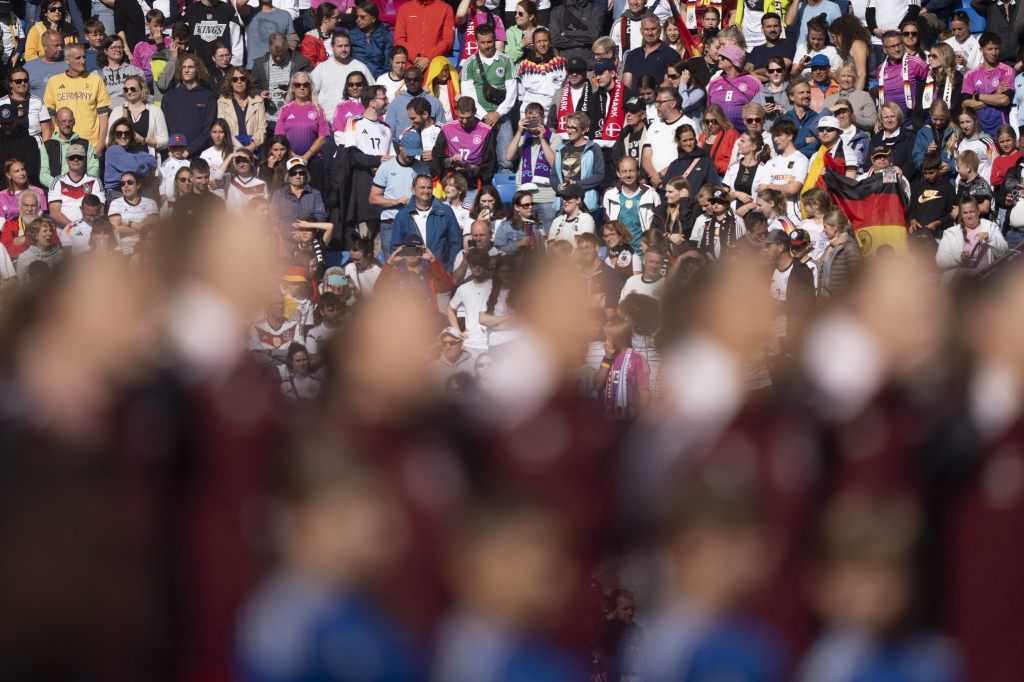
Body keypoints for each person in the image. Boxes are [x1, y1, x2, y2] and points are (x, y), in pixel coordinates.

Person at [454, 24, 516, 174]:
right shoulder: (469, 63)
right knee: (479, 161)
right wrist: (484, 116)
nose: (487, 46)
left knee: (506, 162)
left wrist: (497, 114)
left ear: (494, 40)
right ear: (477, 42)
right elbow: (468, 95)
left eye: (489, 42)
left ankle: (504, 195)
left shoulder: (507, 61)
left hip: (503, 117)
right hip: (478, 119)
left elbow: (512, 91)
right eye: (483, 42)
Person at [370, 130, 430, 255]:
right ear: (400, 147)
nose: (411, 156)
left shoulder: (423, 168)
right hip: (391, 223)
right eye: (409, 153)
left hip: (415, 222)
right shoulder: (386, 167)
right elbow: (373, 198)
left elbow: (428, 194)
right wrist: (395, 202)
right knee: (392, 263)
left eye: (415, 153)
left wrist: (414, 202)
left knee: (414, 261)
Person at [43, 43, 111, 153]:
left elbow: (103, 116)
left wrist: (100, 145)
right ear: (66, 60)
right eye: (78, 58)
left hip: (90, 145)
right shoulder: (54, 82)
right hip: (62, 145)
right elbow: (50, 116)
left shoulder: (96, 80)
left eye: (84, 57)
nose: (83, 61)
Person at [389, 173, 462, 270]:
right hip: (413, 275)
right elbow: (397, 248)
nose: (426, 191)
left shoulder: (446, 212)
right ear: (413, 190)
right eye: (422, 187)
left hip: (441, 271)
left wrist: (449, 270)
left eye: (429, 188)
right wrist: (419, 253)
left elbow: (456, 243)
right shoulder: (402, 216)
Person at [432, 96, 497, 197]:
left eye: (468, 118)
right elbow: (436, 154)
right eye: (461, 118)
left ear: (475, 111)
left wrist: (472, 168)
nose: (465, 122)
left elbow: (490, 162)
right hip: (450, 182)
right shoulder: (447, 128)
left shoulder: (486, 131)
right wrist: (451, 161)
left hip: (473, 184)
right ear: (456, 111)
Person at [251, 33, 314, 137]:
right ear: (269, 48)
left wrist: (294, 91)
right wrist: (260, 93)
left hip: (296, 118)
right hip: (269, 119)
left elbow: (311, 87)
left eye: (282, 54)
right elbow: (252, 87)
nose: (279, 58)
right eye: (275, 55)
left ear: (287, 47)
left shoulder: (302, 63)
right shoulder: (259, 65)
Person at [505, 102, 557, 227]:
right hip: (524, 196)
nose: (532, 122)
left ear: (543, 119)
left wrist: (542, 138)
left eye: (536, 119)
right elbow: (508, 157)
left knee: (548, 236)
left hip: (546, 196)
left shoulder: (554, 138)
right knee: (526, 236)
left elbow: (554, 162)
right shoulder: (522, 138)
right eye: (529, 119)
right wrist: (519, 132)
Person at [275, 71, 329, 190]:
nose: (302, 87)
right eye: (298, 85)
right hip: (289, 160)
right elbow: (279, 137)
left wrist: (306, 157)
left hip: (313, 160)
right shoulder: (285, 109)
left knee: (315, 195)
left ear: (310, 87)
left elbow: (323, 136)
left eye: (306, 84)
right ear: (292, 88)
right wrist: (294, 156)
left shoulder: (318, 109)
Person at [937, 195, 1007, 280]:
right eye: (965, 213)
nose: (969, 216)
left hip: (986, 281)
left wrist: (990, 237)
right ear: (961, 214)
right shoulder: (951, 233)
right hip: (960, 284)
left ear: (978, 211)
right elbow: (940, 261)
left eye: (972, 211)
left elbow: (1004, 251)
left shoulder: (990, 227)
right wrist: (959, 257)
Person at [311, 32, 374, 128]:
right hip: (327, 126)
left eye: (347, 46)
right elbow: (310, 93)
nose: (344, 49)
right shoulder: (322, 68)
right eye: (340, 46)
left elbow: (372, 93)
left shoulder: (360, 67)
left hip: (357, 126)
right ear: (332, 47)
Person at [161, 54, 218, 159]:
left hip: (199, 155)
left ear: (197, 70)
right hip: (172, 154)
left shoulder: (208, 96)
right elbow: (163, 127)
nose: (186, 70)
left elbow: (208, 129)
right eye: (183, 67)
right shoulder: (169, 96)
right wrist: (171, 149)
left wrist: (189, 150)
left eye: (190, 67)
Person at [594, 315, 651, 419]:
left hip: (628, 421)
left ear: (617, 340)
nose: (604, 342)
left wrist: (643, 420)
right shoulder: (608, 358)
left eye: (607, 338)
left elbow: (644, 391)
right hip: (608, 422)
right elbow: (597, 386)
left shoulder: (638, 359)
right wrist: (607, 359)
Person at [641, 87, 697, 189]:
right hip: (654, 184)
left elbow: (688, 156)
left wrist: (661, 175)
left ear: (673, 103)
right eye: (656, 102)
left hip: (677, 184)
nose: (656, 106)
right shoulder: (654, 126)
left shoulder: (688, 124)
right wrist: (654, 175)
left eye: (660, 102)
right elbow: (646, 156)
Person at [961, 32, 1015, 138]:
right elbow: (965, 104)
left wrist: (977, 96)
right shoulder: (970, 75)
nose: (994, 53)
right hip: (978, 132)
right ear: (981, 50)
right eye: (989, 49)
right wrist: (995, 94)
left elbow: (1004, 100)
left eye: (996, 49)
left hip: (1001, 131)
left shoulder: (1007, 71)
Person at [602, 156, 659, 249]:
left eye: (631, 170)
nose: (628, 175)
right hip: (619, 252)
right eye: (624, 171)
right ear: (618, 173)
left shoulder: (650, 194)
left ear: (638, 172)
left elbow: (658, 224)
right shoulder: (610, 195)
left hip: (644, 251)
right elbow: (608, 226)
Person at [553, 113, 605, 215]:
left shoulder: (594, 148)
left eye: (574, 128)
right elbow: (553, 175)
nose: (569, 130)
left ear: (585, 129)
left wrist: (577, 185)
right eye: (568, 127)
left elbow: (599, 175)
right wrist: (558, 186)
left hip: (585, 204)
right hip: (564, 204)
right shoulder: (561, 149)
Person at [108, 75, 168, 159]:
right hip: (123, 161)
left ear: (142, 89)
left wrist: (143, 140)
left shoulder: (155, 111)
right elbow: (108, 140)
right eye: (126, 89)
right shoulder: (117, 111)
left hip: (147, 163)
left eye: (132, 89)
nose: (129, 92)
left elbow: (165, 141)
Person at [447, 248, 493, 355]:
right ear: (469, 266)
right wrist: (457, 332)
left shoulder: (495, 285)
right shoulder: (463, 289)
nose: (477, 267)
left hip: (492, 342)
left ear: (486, 265)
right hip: (470, 344)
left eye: (481, 264)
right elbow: (450, 309)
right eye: (474, 264)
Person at [47, 142, 104, 227]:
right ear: (66, 160)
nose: (76, 160)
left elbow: (100, 212)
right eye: (72, 157)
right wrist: (74, 228)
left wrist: (83, 230)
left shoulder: (95, 181)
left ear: (85, 160)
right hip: (65, 232)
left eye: (79, 157)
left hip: (90, 232)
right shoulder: (57, 181)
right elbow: (54, 213)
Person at [876, 29, 928, 120]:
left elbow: (932, 83)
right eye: (892, 46)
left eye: (899, 45)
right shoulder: (881, 69)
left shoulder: (915, 62)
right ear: (884, 49)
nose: (897, 49)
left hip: (912, 120)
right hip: (889, 120)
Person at [707, 44, 761, 132]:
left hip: (744, 135)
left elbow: (759, 110)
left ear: (734, 61)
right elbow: (708, 109)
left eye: (723, 57)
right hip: (719, 136)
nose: (719, 58)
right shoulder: (714, 82)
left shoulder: (753, 82)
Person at [386, 67, 445, 146]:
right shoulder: (395, 103)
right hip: (404, 149)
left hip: (428, 151)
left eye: (415, 80)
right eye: (408, 80)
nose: (411, 83)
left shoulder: (435, 103)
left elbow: (442, 132)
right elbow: (390, 133)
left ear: (422, 79)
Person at [393, 0, 455, 72]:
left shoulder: (445, 8)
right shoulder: (404, 9)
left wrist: (428, 58)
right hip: (410, 67)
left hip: (435, 67)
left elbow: (448, 40)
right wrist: (415, 58)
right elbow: (398, 39)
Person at [217, 66, 267, 155]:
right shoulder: (222, 102)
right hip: (232, 148)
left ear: (247, 81)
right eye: (235, 79)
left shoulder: (258, 101)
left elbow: (262, 128)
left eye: (242, 78)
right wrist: (240, 149)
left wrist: (252, 146)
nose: (239, 82)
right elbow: (223, 129)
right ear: (230, 83)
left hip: (255, 149)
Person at [270, 157, 327, 233]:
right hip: (286, 237)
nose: (298, 176)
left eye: (301, 173)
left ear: (306, 175)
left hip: (309, 235)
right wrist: (290, 228)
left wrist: (307, 227)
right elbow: (274, 218)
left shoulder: (315, 194)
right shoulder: (278, 195)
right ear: (288, 176)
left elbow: (320, 215)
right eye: (293, 173)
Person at [546, 56, 598, 141]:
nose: (574, 74)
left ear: (585, 72)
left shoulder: (595, 92)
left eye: (578, 71)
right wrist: (556, 142)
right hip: (562, 144)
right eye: (571, 71)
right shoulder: (559, 93)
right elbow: (551, 123)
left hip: (587, 143)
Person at [102, 118, 157, 197]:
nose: (123, 136)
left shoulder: (134, 151)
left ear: (131, 135)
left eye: (126, 133)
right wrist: (146, 171)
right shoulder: (112, 151)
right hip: (117, 192)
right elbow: (136, 167)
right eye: (119, 133)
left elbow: (153, 161)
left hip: (133, 192)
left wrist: (138, 164)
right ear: (114, 136)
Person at [622, 14, 678, 89]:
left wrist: (649, 95)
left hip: (659, 99)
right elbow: (626, 84)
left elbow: (669, 83)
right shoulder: (632, 55)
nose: (650, 33)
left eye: (653, 29)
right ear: (641, 31)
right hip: (633, 99)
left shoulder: (671, 54)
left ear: (660, 30)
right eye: (646, 29)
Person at [908, 151, 955, 243]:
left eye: (931, 173)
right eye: (925, 173)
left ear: (939, 169)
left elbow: (951, 215)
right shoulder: (918, 186)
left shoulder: (948, 188)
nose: (927, 176)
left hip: (939, 236)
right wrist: (913, 221)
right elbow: (911, 209)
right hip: (918, 234)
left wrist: (938, 223)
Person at [107, 170, 157, 255]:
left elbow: (154, 228)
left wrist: (128, 223)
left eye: (130, 182)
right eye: (122, 183)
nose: (126, 185)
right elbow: (115, 230)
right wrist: (143, 227)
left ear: (138, 185)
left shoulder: (150, 203)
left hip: (146, 254)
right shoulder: (115, 204)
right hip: (124, 253)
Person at [183, 0, 244, 68]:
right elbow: (182, 42)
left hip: (223, 70)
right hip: (196, 69)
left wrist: (234, 68)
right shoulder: (190, 11)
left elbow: (237, 43)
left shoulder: (228, 10)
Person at [0, 68, 52, 143]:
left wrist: (44, 151)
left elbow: (46, 130)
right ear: (10, 83)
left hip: (34, 147)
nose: (22, 83)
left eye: (25, 80)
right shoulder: (1, 102)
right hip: (8, 147)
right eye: (18, 81)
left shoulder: (38, 102)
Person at [869, 101, 916, 180]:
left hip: (903, 181)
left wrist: (900, 173)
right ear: (881, 119)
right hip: (878, 182)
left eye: (892, 116)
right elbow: (868, 163)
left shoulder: (909, 137)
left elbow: (912, 162)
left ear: (898, 117)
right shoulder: (875, 139)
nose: (889, 120)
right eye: (886, 117)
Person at [94, 35, 144, 109]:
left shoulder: (134, 71)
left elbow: (143, 94)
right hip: (108, 114)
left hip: (130, 111)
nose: (118, 50)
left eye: (120, 47)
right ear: (105, 51)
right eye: (113, 47)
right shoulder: (96, 75)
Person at [346, 2, 392, 79]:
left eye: (362, 17)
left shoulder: (384, 35)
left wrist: (384, 80)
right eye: (357, 17)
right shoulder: (352, 35)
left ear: (373, 18)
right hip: (357, 80)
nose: (358, 20)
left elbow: (388, 63)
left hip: (378, 79)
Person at [548, 0, 603, 65]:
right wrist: (583, 42)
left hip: (588, 64)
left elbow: (594, 36)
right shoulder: (557, 11)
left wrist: (566, 34)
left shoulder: (595, 10)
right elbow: (554, 40)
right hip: (564, 64)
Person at [494, 188, 544, 255]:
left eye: (532, 204)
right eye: (526, 205)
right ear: (516, 207)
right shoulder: (506, 226)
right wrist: (517, 245)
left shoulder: (538, 225)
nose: (530, 207)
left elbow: (543, 250)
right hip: (516, 264)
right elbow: (498, 251)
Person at [954, 107, 996, 184]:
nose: (965, 126)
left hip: (983, 190)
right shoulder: (958, 144)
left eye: (968, 121)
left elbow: (994, 164)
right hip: (964, 190)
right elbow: (957, 168)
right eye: (962, 122)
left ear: (975, 121)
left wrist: (991, 188)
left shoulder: (987, 142)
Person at [245, 0, 291, 70]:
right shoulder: (248, 13)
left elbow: (293, 40)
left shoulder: (285, 15)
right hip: (254, 68)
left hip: (279, 67)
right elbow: (238, 3)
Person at [747, 13, 794, 79]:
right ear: (762, 30)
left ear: (781, 28)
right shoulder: (756, 50)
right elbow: (747, 72)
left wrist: (755, 72)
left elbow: (780, 69)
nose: (772, 30)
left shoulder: (788, 46)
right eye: (769, 26)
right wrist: (767, 77)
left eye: (775, 26)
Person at [24, 31, 67, 103]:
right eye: (56, 45)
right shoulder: (29, 67)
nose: (60, 49)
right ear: (44, 46)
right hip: (38, 112)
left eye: (61, 45)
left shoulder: (69, 64)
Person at [0, 190, 44, 259]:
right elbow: (6, 251)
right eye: (26, 205)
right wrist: (37, 242)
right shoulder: (10, 224)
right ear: (19, 207)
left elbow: (53, 247)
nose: (29, 209)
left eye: (33, 206)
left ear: (38, 208)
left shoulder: (46, 224)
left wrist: (24, 240)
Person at [954, 149, 993, 218]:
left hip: (978, 224)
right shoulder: (962, 182)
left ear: (968, 168)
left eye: (958, 167)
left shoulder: (981, 184)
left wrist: (962, 209)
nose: (957, 170)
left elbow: (985, 207)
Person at [752, 56, 792, 123]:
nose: (775, 73)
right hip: (767, 132)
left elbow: (800, 115)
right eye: (771, 71)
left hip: (788, 131)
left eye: (778, 70)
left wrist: (785, 112)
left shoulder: (793, 90)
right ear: (767, 73)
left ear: (784, 71)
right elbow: (750, 117)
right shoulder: (760, 94)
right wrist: (762, 111)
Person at [299, 4, 338, 68]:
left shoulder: (337, 36)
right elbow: (309, 65)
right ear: (325, 19)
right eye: (336, 18)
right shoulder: (310, 40)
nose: (339, 20)